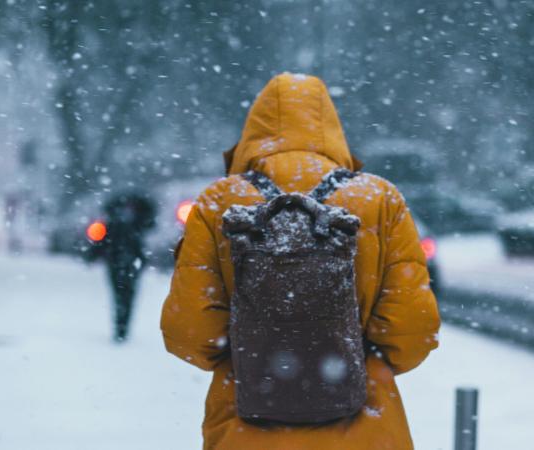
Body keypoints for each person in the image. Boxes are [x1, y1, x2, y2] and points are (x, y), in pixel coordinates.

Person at [161, 73, 441, 449]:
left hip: (244, 424)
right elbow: (412, 331)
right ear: (331, 128)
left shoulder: (219, 202)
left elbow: (189, 334)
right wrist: (348, 359)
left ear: (253, 130)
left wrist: (257, 354)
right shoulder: (379, 198)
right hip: (365, 428)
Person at [92, 191, 156, 342]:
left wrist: (94, 255)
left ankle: (121, 327)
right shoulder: (136, 222)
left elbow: (102, 242)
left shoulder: (116, 222)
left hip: (120, 262)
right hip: (128, 263)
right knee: (126, 296)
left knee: (121, 296)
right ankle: (122, 327)